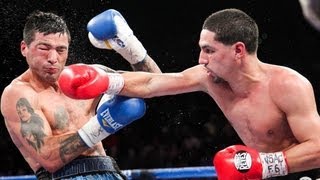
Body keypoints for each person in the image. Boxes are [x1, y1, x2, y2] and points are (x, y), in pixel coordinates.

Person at [60, 8, 320, 179]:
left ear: (238, 50)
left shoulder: (288, 85)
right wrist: (107, 81)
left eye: (209, 50)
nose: (201, 59)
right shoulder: (209, 78)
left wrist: (264, 165)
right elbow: (153, 83)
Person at [0, 9, 161, 179]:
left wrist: (130, 47)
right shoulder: (18, 94)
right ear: (24, 48)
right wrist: (104, 125)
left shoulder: (85, 76)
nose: (53, 58)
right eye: (44, 48)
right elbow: (50, 158)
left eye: (61, 50)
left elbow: (153, 84)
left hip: (109, 171)